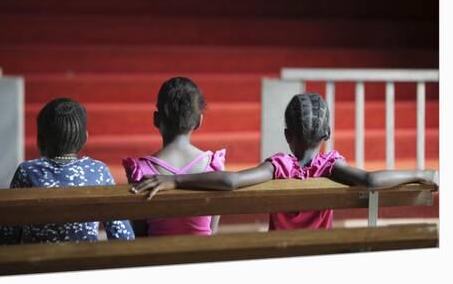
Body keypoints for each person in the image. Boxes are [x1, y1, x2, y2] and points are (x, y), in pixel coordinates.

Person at [132, 92, 438, 230]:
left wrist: (175, 180)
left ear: (287, 134)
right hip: (320, 256)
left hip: (278, 257)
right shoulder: (329, 166)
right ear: (327, 134)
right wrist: (423, 172)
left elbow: (232, 181)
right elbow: (371, 181)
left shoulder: (280, 167)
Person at [0, 98, 135, 244]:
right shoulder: (98, 171)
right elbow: (122, 234)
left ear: (40, 141)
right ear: (85, 138)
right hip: (85, 260)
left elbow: (8, 232)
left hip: (35, 261)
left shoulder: (27, 171)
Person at [122, 77, 226, 236]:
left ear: (156, 119)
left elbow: (140, 234)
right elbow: (212, 230)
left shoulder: (140, 170)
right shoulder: (213, 165)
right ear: (199, 121)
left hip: (157, 258)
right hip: (202, 256)